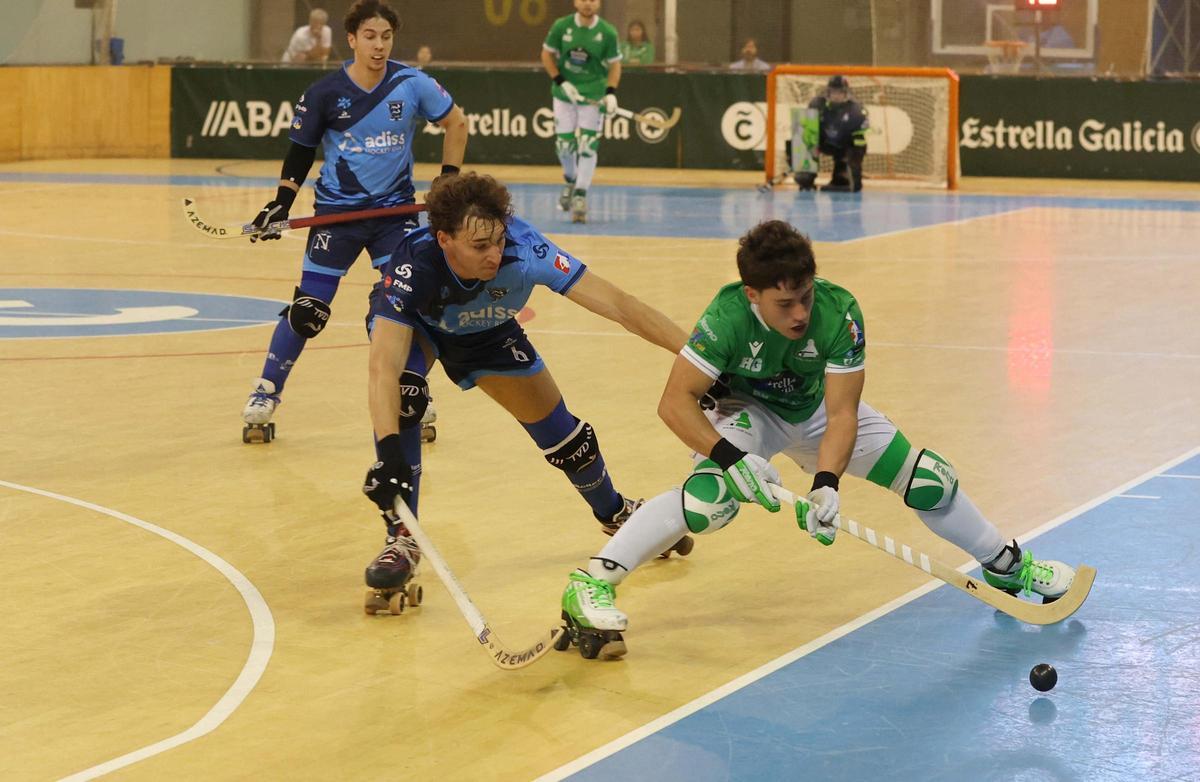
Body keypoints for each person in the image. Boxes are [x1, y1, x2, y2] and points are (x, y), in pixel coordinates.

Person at [555, 220, 1077, 659]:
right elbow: (674, 402)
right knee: (709, 500)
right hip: (746, 412)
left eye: (805, 296)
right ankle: (591, 583)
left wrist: (827, 482)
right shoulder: (725, 318)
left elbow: (843, 411)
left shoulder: (839, 311)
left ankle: (1007, 566)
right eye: (784, 303)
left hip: (814, 410)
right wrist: (730, 458)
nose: (800, 314)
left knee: (929, 480)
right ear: (753, 294)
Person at [359, 172, 693, 612]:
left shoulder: (527, 248)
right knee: (404, 395)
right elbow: (383, 367)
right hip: (422, 329)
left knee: (568, 441)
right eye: (480, 246)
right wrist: (388, 456)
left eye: (499, 240)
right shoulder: (413, 263)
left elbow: (619, 305)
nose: (495, 254)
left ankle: (616, 513)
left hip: (488, 332)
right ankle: (402, 538)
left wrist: (697, 357)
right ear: (444, 239)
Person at [241, 0, 468, 444]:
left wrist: (447, 182)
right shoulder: (325, 93)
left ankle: (410, 388)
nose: (379, 45)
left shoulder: (411, 83)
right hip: (337, 215)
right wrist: (281, 203)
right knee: (308, 311)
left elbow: (456, 123)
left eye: (386, 37)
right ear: (351, 40)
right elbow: (301, 150)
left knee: (396, 305)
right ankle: (265, 392)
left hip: (394, 217)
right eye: (369, 36)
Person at [539, 0, 622, 224]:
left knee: (587, 145)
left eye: (593, 0)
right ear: (576, 2)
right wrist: (561, 81)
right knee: (564, 146)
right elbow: (546, 55)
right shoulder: (561, 26)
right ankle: (570, 180)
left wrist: (610, 93)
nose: (588, 3)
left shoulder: (607, 32)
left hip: (593, 95)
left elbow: (615, 65)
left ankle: (580, 194)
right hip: (564, 94)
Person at [790, 75, 868, 192]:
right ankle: (805, 177)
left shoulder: (856, 109)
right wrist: (806, 151)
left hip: (844, 144)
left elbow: (860, 138)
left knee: (858, 143)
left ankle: (843, 177)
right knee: (801, 132)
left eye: (840, 92)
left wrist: (854, 165)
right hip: (823, 141)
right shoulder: (816, 104)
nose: (836, 96)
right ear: (828, 92)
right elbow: (807, 129)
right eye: (833, 92)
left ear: (846, 93)